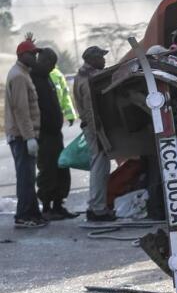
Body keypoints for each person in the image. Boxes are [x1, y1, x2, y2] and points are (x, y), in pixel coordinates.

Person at [31, 48, 75, 220]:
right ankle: (48, 208)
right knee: (48, 169)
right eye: (50, 62)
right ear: (44, 62)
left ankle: (58, 205)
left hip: (55, 132)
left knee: (61, 168)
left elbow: (62, 98)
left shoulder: (47, 77)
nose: (52, 66)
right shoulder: (34, 78)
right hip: (45, 133)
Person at [73, 46, 116, 222]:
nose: (104, 60)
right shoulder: (89, 80)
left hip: (91, 127)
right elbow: (91, 109)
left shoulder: (82, 76)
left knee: (100, 165)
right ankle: (97, 209)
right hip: (94, 128)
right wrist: (98, 132)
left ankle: (96, 206)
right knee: (100, 166)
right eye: (101, 57)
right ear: (92, 59)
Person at [6, 36, 45, 228]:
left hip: (23, 135)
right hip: (22, 136)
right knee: (25, 177)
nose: (35, 57)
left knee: (28, 177)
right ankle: (22, 216)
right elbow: (20, 110)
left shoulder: (22, 73)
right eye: (32, 54)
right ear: (22, 55)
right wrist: (29, 137)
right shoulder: (19, 76)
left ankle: (32, 213)